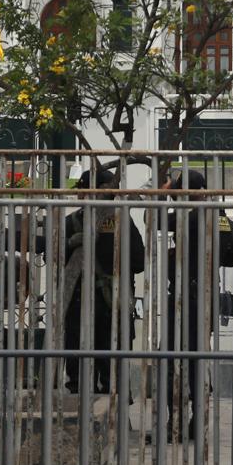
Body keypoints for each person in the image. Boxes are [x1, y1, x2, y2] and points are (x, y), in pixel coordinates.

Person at [159, 170, 233, 441]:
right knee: (198, 359)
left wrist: (165, 193)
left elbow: (155, 219)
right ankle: (196, 422)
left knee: (170, 359)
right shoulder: (221, 215)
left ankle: (176, 423)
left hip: (185, 299)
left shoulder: (189, 217)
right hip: (207, 296)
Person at [61, 169, 146, 397]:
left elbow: (53, 257)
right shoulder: (122, 220)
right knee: (114, 371)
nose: (79, 195)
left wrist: (71, 245)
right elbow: (139, 262)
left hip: (79, 306)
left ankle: (83, 423)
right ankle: (115, 423)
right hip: (114, 306)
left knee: (79, 371)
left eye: (81, 190)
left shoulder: (72, 221)